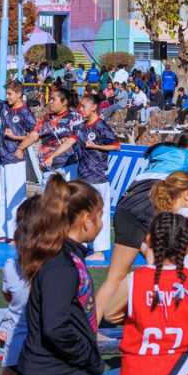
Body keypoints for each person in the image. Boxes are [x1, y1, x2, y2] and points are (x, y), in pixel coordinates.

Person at [95, 130, 188, 319]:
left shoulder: (159, 156)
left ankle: (91, 329)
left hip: (125, 206)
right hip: (149, 205)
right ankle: (161, 317)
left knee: (115, 277)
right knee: (164, 268)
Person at [103, 212, 188, 375]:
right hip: (179, 369)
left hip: (137, 370)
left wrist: (138, 314)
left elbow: (110, 314)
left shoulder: (134, 279)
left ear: (148, 239)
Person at [16, 175, 104, 375]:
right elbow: (55, 327)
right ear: (86, 219)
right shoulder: (61, 264)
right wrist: (89, 357)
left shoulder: (69, 256)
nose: (101, 224)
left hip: (60, 369)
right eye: (99, 216)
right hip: (55, 372)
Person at [0, 82, 37, 243]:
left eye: (10, 94)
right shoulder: (5, 108)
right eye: (7, 94)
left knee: (15, 198)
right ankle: (2, 233)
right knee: (1, 196)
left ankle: (17, 234)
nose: (7, 97)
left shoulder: (25, 112)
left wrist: (15, 137)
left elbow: (34, 136)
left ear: (18, 94)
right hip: (2, 158)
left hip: (16, 159)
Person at [74, 94, 119, 261]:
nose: (81, 109)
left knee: (99, 213)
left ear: (93, 107)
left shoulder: (101, 125)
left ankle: (99, 251)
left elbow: (116, 145)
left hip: (98, 176)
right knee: (82, 212)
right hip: (84, 176)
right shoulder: (82, 127)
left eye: (83, 106)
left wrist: (96, 146)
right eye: (80, 106)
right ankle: (82, 246)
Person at [0, 194, 39, 375]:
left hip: (15, 349)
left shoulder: (10, 265)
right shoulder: (60, 267)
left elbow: (7, 296)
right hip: (45, 353)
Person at [16, 88, 81, 186]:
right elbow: (34, 135)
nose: (49, 102)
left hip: (67, 167)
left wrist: (54, 155)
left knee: (67, 200)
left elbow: (75, 139)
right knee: (47, 200)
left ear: (64, 102)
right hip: (48, 168)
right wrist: (20, 148)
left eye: (53, 99)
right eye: (49, 99)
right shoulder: (46, 118)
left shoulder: (75, 117)